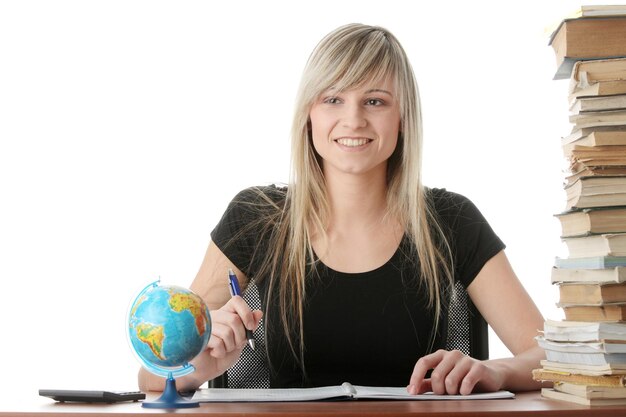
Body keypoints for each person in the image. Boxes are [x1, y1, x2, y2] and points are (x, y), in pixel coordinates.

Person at [138, 23, 546, 395]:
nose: (353, 119)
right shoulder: (254, 218)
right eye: (333, 98)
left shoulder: (452, 220)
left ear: (403, 117)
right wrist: (197, 366)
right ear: (309, 115)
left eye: (375, 101)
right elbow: (151, 376)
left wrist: (497, 371)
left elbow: (553, 357)